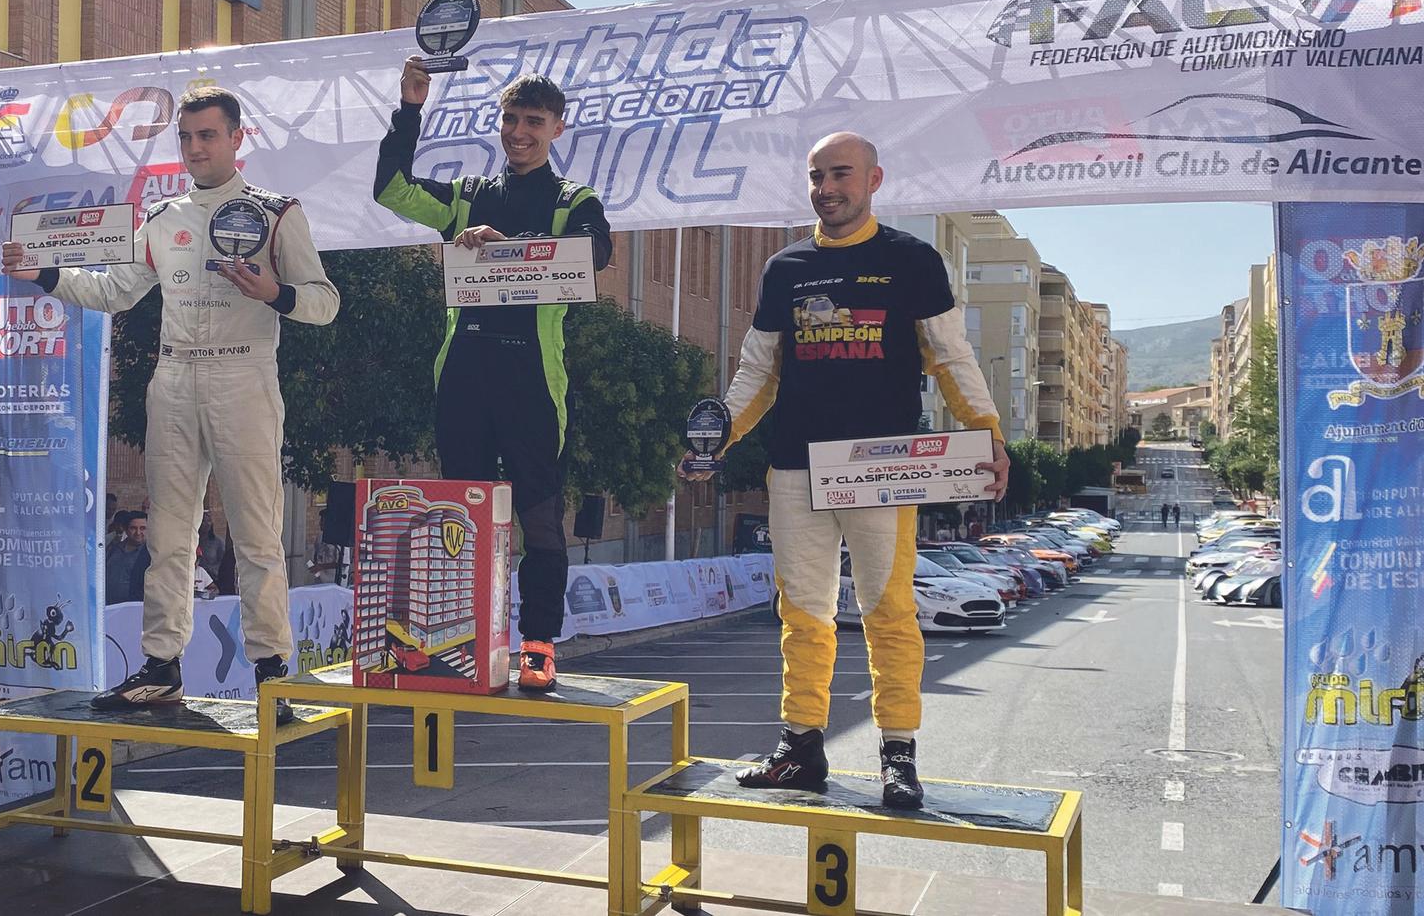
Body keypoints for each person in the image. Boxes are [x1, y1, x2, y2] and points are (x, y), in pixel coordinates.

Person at [681, 132, 1007, 806]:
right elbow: (757, 371)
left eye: (840, 174)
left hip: (882, 467)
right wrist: (717, 440)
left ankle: (898, 755)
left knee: (889, 611)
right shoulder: (785, 267)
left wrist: (989, 435)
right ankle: (800, 747)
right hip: (795, 467)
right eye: (816, 176)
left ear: (873, 180)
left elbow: (951, 356)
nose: (827, 189)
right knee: (803, 614)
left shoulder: (912, 259)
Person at [2, 85, 339, 714]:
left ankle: (272, 673)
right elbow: (116, 291)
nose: (195, 148)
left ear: (237, 138)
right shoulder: (162, 216)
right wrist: (43, 274)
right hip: (175, 376)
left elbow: (324, 302)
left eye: (207, 135)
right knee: (167, 536)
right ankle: (161, 667)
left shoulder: (276, 213)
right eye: (185, 137)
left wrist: (274, 293)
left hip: (244, 376)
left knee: (257, 534)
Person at [373, 58, 613, 692]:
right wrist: (410, 109)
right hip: (464, 374)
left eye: (533, 122)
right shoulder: (468, 195)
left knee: (539, 517)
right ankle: (467, 638)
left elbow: (595, 254)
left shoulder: (572, 201)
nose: (519, 132)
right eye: (510, 120)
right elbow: (390, 190)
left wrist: (503, 247)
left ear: (557, 129)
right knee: (461, 516)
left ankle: (538, 644)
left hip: (533, 379)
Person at [105, 513, 150, 605]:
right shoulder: (113, 549)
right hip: (109, 606)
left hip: (135, 607)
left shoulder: (151, 554)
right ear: (126, 529)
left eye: (142, 528)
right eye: (133, 528)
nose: (138, 532)